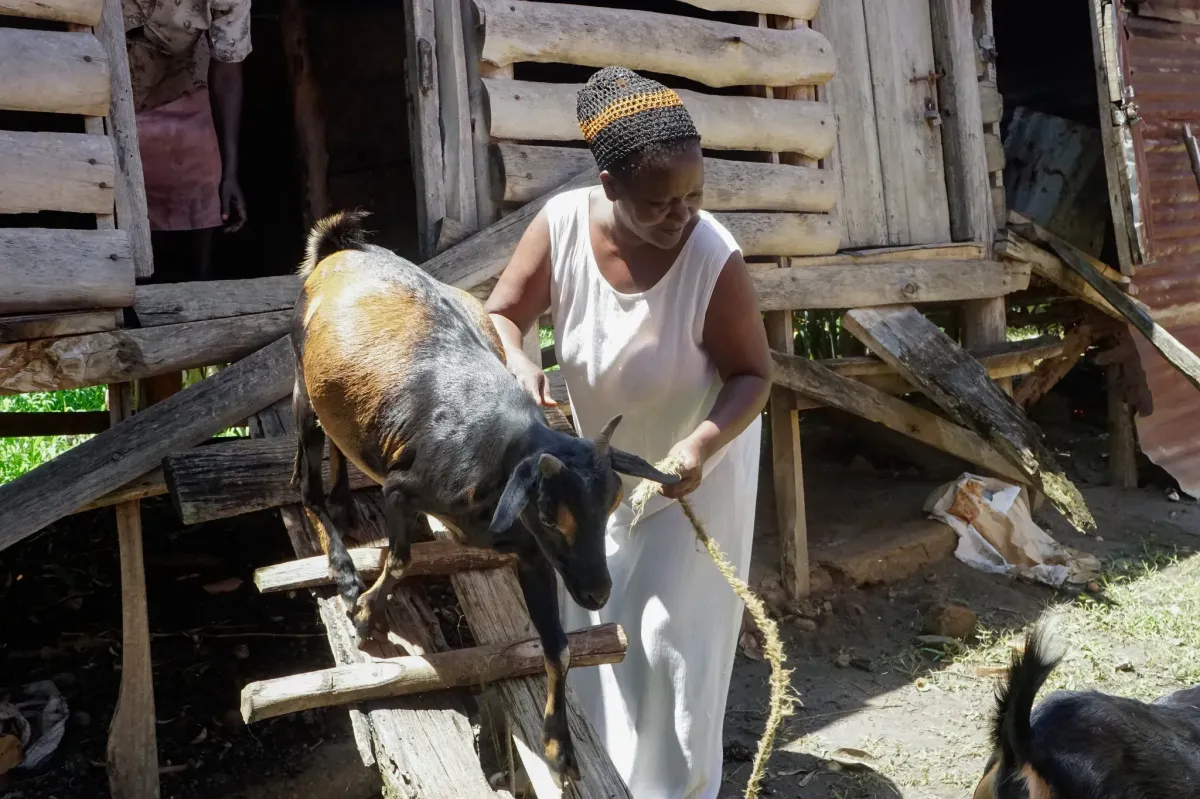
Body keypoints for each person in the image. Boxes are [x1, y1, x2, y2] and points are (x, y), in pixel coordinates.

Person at [485, 66, 771, 798]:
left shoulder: (714, 258)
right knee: (603, 640)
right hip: (601, 475)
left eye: (694, 196)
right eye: (660, 202)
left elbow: (753, 375)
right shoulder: (561, 228)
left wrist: (700, 446)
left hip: (692, 470)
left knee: (675, 648)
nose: (683, 215)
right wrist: (518, 359)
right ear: (608, 185)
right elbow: (502, 314)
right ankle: (602, 785)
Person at [123, 0, 251, 402]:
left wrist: (229, 174)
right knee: (124, 275)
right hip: (106, 106)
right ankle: (144, 394)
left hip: (183, 108)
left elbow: (228, 71)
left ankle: (178, 406)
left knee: (187, 279)